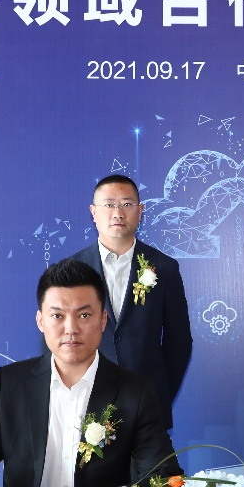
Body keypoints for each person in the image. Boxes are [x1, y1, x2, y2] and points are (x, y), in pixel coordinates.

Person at [0, 258, 182, 487]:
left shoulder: (135, 392)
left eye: (84, 315)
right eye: (58, 316)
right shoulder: (9, 383)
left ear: (103, 320)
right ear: (40, 321)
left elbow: (163, 476)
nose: (71, 329)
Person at [67, 174, 192, 428]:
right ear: (93, 212)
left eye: (127, 204)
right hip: (85, 409)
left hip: (147, 411)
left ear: (140, 211)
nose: (118, 213)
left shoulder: (165, 268)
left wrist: (158, 396)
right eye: (109, 204)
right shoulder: (71, 270)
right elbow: (57, 341)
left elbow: (179, 342)